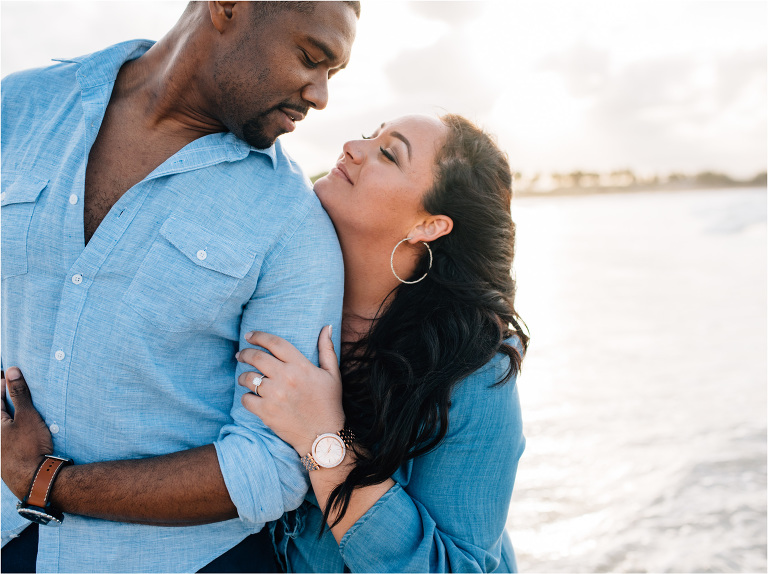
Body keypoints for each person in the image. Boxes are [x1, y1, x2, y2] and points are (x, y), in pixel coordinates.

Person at [0, 2, 359, 572]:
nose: (319, 95)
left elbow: (272, 462)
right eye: (311, 58)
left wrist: (50, 483)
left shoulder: (292, 222)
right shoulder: (20, 107)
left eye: (330, 75)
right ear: (227, 7)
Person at [236, 113, 529, 572]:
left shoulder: (474, 375)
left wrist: (324, 440)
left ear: (428, 226)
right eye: (370, 134)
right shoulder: (280, 292)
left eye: (388, 153)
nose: (353, 145)